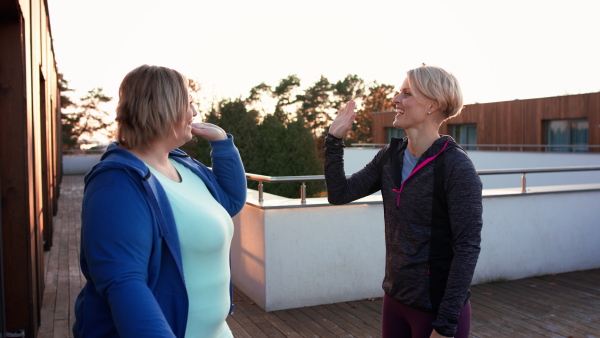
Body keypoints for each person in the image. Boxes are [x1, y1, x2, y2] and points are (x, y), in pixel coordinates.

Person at [73, 65, 247, 338]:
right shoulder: (116, 184)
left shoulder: (183, 164)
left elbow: (231, 202)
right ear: (164, 107)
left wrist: (223, 143)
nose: (195, 113)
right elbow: (124, 284)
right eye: (189, 103)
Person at [324, 65, 482, 338]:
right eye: (399, 93)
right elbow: (340, 194)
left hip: (436, 312)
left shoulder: (456, 167)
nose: (395, 100)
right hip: (395, 301)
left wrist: (445, 326)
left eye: (406, 94)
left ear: (433, 104)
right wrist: (334, 140)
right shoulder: (390, 156)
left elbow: (467, 248)